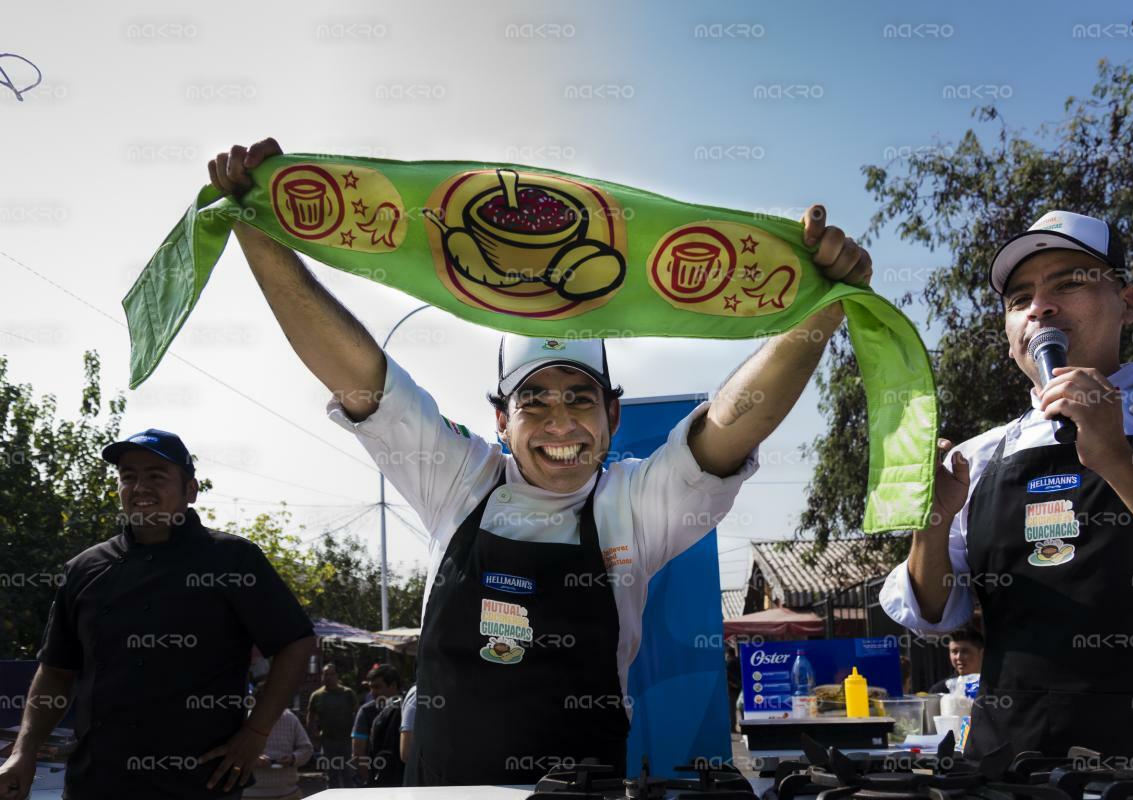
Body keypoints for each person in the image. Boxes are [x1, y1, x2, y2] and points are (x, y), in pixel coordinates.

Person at [207, 137, 873, 785]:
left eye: (580, 399)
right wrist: (256, 229)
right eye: (535, 401)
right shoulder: (460, 481)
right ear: (501, 419)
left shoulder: (632, 507)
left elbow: (730, 426)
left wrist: (818, 312)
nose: (560, 422)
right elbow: (358, 377)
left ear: (612, 416)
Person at [881, 210, 1133, 756]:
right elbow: (936, 614)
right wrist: (931, 521)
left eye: (1070, 283)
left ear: (1127, 302)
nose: (1040, 308)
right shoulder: (973, 459)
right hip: (1010, 767)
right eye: (1018, 299)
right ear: (1009, 339)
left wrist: (1116, 458)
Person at [0, 428, 316, 800]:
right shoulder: (85, 569)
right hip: (96, 782)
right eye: (128, 477)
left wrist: (256, 733)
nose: (139, 487)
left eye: (155, 476)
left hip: (198, 785)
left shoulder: (233, 560)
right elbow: (56, 670)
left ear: (191, 490)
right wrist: (25, 750)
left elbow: (296, 642)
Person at [242, 680, 313, 800]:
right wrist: (254, 759)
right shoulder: (246, 720)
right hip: (252, 794)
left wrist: (293, 758)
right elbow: (233, 752)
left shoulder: (290, 718)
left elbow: (306, 748)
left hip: (287, 793)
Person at [306, 663, 357, 789]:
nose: (328, 677)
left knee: (347, 774)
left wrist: (357, 738)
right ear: (322, 676)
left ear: (337, 676)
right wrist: (313, 736)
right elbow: (310, 716)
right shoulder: (317, 695)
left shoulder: (348, 693)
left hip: (347, 740)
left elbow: (357, 714)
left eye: (331, 674)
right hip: (328, 741)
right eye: (325, 674)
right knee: (331, 775)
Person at [350, 664, 400, 785]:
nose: (373, 692)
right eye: (370, 687)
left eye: (377, 687)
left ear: (393, 685)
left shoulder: (408, 708)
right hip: (377, 779)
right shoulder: (366, 712)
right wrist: (369, 780)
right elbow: (358, 752)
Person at [926, 628, 983, 694]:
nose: (959, 657)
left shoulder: (993, 687)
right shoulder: (940, 691)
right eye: (954, 652)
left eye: (965, 651)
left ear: (982, 653)